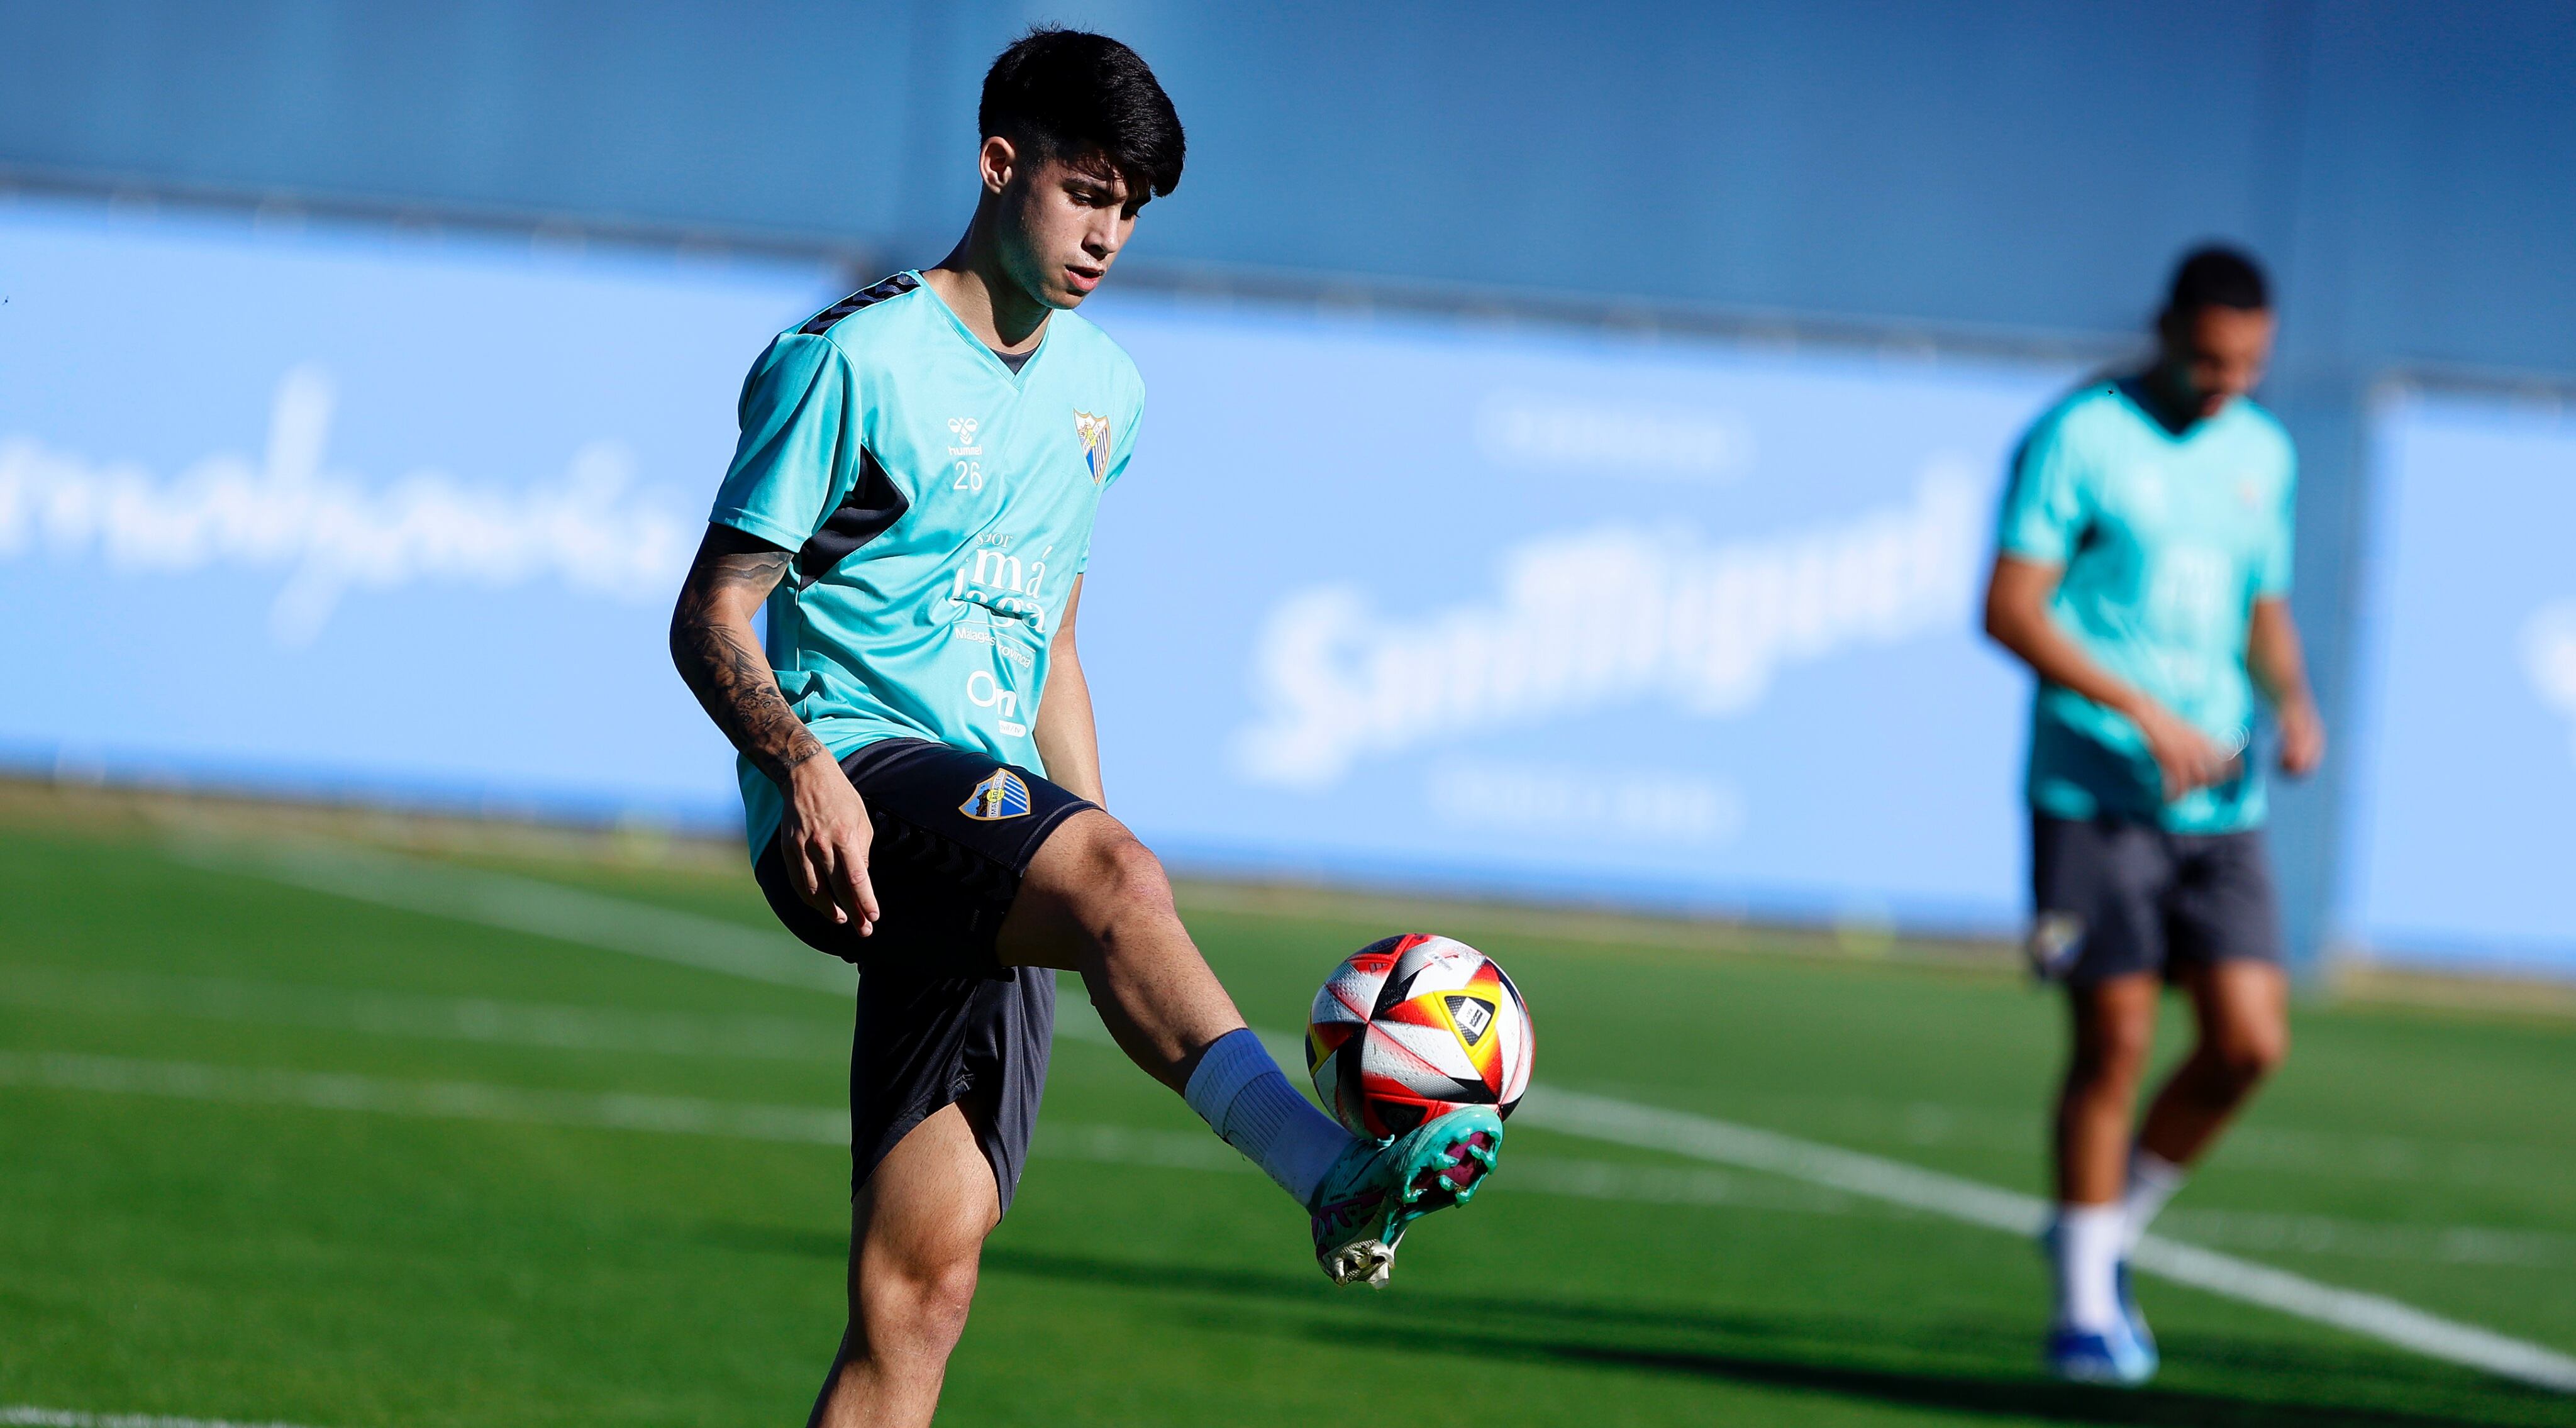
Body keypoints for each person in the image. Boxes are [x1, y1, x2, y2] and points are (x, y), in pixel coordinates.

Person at [666, 28, 1501, 1428]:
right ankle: (1329, 1173)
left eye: (1131, 207)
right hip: (859, 795)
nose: (1108, 231)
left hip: (991, 833)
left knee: (918, 1297)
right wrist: (800, 764)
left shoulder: (1104, 393)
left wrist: (1093, 834)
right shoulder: (849, 362)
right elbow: (709, 613)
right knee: (1110, 877)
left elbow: (1049, 641)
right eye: (1086, 191)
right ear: (1000, 166)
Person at [1982, 245, 2326, 1386]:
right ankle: (2084, 1308)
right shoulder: (2079, 434)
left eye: (2251, 365)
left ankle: (2105, 1221)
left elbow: (2260, 604)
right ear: (2168, 329)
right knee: (2116, 1039)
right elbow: (2010, 608)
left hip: (2221, 799)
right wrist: (2140, 713)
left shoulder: (2262, 452)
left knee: (2248, 1043)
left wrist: (2295, 699)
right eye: (2211, 358)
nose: (2229, 381)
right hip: (2094, 793)